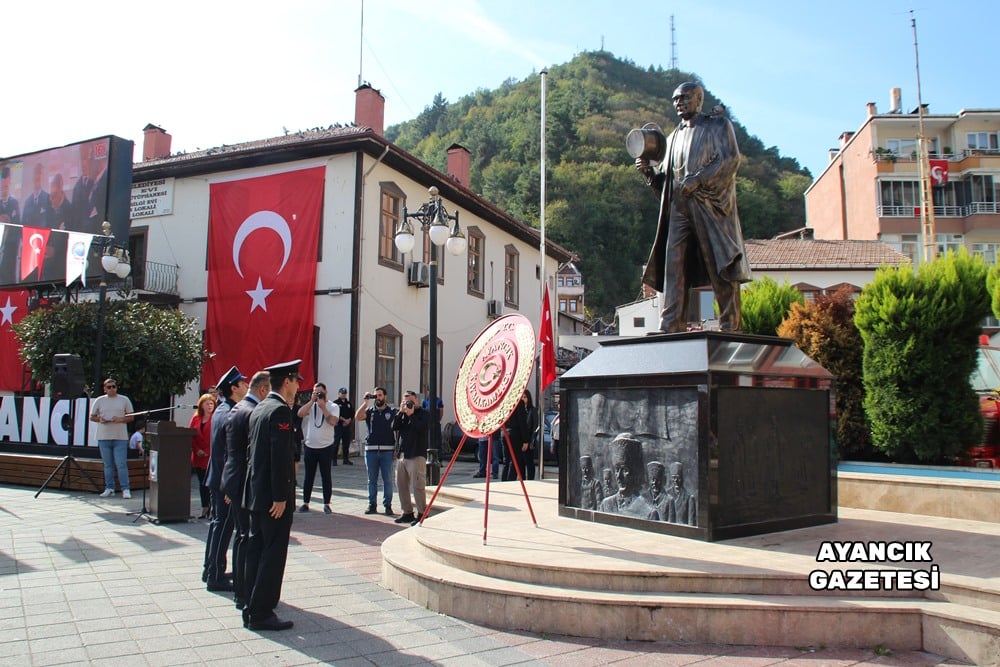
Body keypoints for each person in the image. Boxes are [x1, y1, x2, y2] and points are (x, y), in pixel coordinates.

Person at [636, 81, 751, 333]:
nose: (679, 103)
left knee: (720, 265)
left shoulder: (718, 125)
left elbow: (730, 159)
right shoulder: (672, 137)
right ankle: (671, 323)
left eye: (684, 98)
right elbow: (663, 186)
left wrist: (699, 179)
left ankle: (730, 325)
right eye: (676, 99)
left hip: (708, 206)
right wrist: (648, 174)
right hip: (678, 208)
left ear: (699, 99)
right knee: (674, 267)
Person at [243, 360, 301, 631]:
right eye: (297, 380)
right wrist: (281, 496)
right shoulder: (278, 411)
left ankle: (250, 603)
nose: (299, 386)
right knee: (273, 553)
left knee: (255, 549)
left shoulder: (260, 407)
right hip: (272, 497)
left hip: (256, 493)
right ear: (287, 381)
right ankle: (262, 611)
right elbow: (279, 458)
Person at [220, 370, 270, 612]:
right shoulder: (252, 412)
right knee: (248, 538)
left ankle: (241, 591)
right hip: (244, 483)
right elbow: (251, 455)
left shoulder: (237, 409)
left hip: (234, 480)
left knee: (241, 537)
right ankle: (245, 592)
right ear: (263, 390)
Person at [203, 366, 248, 591]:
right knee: (223, 527)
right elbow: (227, 453)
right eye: (242, 383)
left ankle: (210, 568)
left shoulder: (222, 409)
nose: (246, 386)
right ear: (233, 388)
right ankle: (215, 575)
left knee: (217, 524)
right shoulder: (230, 411)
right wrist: (229, 486)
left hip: (217, 477)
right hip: (223, 480)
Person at [296, 382, 339, 513]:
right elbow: (300, 413)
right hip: (310, 446)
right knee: (309, 476)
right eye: (316, 392)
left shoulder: (333, 406)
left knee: (326, 476)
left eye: (320, 392)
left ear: (326, 393)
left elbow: (333, 421)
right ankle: (305, 502)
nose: (318, 395)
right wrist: (311, 401)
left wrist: (323, 407)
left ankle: (326, 503)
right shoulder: (312, 405)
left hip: (326, 446)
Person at [89, 378, 134, 498]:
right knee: (108, 464)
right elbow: (92, 416)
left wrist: (121, 419)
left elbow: (131, 417)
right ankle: (109, 488)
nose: (112, 389)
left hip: (120, 436)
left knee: (121, 463)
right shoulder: (99, 400)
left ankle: (125, 488)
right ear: (104, 389)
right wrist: (100, 419)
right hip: (104, 436)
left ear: (116, 387)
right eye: (109, 387)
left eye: (113, 386)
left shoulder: (124, 399)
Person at [355, 387, 396, 516]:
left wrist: (396, 449)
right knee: (371, 479)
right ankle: (372, 504)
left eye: (380, 395)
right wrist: (365, 402)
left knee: (387, 479)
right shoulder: (370, 411)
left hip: (387, 450)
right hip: (371, 450)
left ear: (385, 397)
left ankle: (387, 505)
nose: (378, 398)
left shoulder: (392, 412)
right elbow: (357, 417)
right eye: (375, 395)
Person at [597, 434, 659, 520]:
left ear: (635, 472)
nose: (619, 476)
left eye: (625, 470)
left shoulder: (648, 512)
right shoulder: (606, 505)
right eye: (617, 470)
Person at [392, 390, 428, 525]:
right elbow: (393, 427)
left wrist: (412, 415)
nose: (408, 404)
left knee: (418, 485)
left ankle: (422, 513)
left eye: (410, 401)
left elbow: (421, 428)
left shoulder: (423, 414)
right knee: (401, 485)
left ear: (416, 401)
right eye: (405, 401)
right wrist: (401, 412)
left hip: (417, 454)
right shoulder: (402, 414)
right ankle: (407, 512)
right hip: (402, 455)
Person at [189, 393, 216, 519]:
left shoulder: (216, 417)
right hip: (198, 455)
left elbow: (216, 437)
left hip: (210, 455)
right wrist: (197, 449)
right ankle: (204, 507)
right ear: (201, 405)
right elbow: (191, 435)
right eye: (207, 403)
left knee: (211, 483)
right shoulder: (196, 418)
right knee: (202, 483)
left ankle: (212, 508)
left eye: (212, 403)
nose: (210, 406)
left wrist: (206, 450)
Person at [501, 391, 531, 481]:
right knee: (514, 460)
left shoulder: (505, 402)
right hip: (515, 434)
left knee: (506, 460)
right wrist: (526, 440)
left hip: (505, 432)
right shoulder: (519, 403)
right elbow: (522, 423)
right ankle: (510, 482)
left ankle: (503, 482)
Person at [665, 461, 697, 526]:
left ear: (682, 478)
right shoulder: (666, 495)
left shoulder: (689, 498)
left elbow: (691, 523)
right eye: (673, 477)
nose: (675, 480)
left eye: (677, 477)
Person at [332, 387, 354, 465]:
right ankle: (334, 460)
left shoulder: (348, 403)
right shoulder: (335, 403)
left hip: (347, 426)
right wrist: (344, 420)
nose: (343, 395)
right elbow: (335, 414)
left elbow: (352, 413)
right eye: (342, 393)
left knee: (346, 443)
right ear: (339, 394)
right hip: (339, 425)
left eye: (345, 393)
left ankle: (346, 459)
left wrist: (349, 420)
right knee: (336, 443)